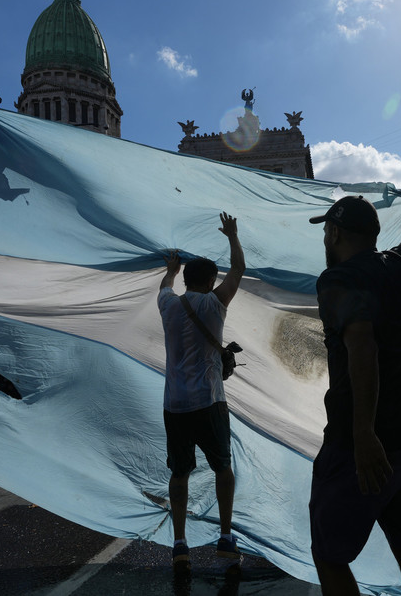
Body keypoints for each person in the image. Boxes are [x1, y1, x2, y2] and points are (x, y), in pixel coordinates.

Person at [307, 192, 401, 596]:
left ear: (335, 233)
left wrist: (364, 435)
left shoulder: (339, 279)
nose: (326, 238)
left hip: (359, 448)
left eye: (328, 230)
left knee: (330, 557)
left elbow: (363, 346)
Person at [157, 212, 246, 571]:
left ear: (186, 279)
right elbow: (238, 269)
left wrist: (171, 270)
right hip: (209, 401)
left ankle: (180, 544)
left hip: (174, 404)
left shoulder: (168, 304)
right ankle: (225, 537)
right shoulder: (214, 304)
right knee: (223, 468)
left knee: (179, 474)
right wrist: (233, 235)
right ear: (210, 281)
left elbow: (164, 285)